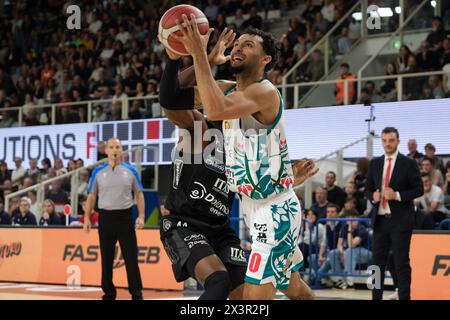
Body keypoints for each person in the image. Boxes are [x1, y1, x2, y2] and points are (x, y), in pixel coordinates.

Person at [159, 28, 318, 300]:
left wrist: (198, 52)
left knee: (249, 301)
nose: (238, 49)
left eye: (248, 45)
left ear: (266, 59)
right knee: (295, 289)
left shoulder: (264, 92)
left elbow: (215, 108)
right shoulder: (228, 91)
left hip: (274, 213)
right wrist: (195, 58)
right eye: (237, 44)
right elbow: (172, 98)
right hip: (253, 209)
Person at [365, 127, 423, 300]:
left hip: (400, 221)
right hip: (380, 220)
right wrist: (372, 196)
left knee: (401, 264)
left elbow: (419, 189)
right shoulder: (375, 163)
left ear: (398, 141)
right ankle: (375, 298)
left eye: (391, 140)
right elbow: (367, 190)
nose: (387, 144)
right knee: (376, 265)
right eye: (384, 140)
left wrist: (397, 195)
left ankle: (404, 297)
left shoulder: (409, 163)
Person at [83, 138, 145, 300]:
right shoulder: (98, 172)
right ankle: (109, 292)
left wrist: (142, 216)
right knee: (107, 257)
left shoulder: (131, 170)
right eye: (111, 147)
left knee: (131, 257)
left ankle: (136, 292)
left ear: (121, 149)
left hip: (125, 217)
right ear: (106, 150)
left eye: (117, 147)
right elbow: (92, 195)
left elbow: (139, 194)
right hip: (106, 218)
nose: (115, 150)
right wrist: (87, 218)